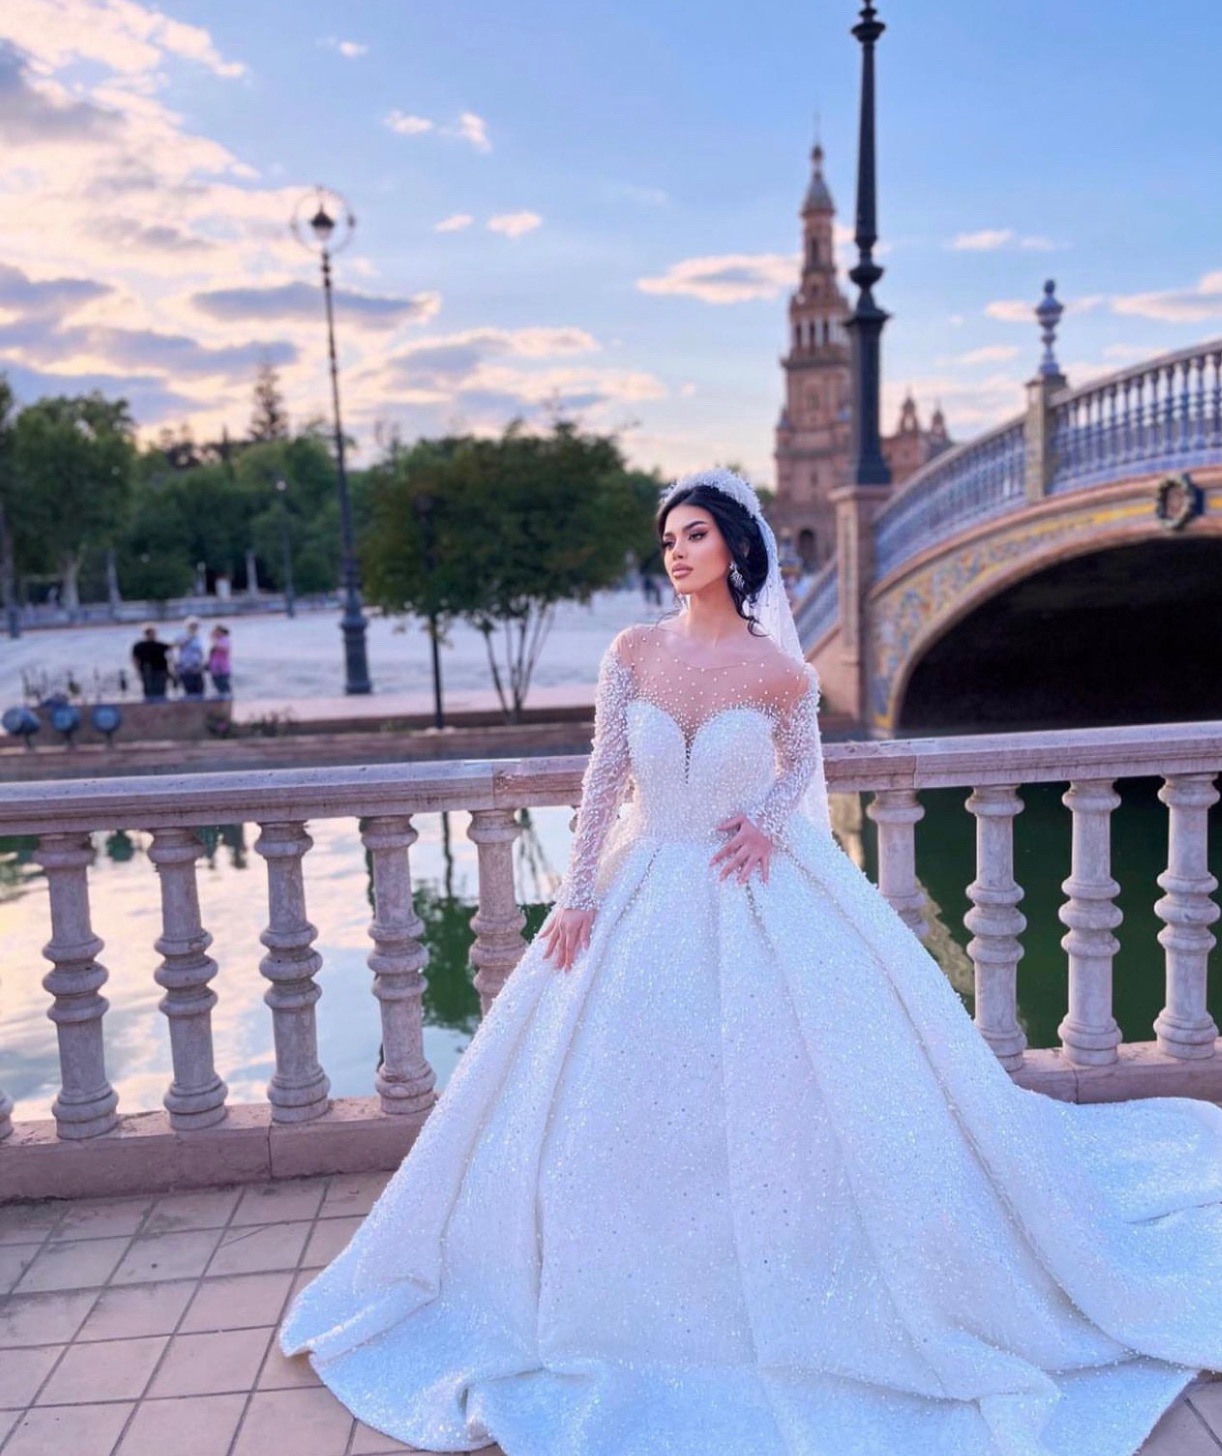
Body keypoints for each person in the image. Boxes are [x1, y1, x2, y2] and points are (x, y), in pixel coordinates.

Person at [279, 469, 1222, 1456]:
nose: (676, 553)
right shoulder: (632, 651)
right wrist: (579, 890)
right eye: (667, 540)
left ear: (733, 544)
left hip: (752, 888)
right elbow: (604, 772)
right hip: (644, 886)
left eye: (693, 534)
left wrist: (769, 820)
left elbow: (803, 763)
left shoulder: (780, 673)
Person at [130, 625, 171, 701]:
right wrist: (137, 670)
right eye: (152, 633)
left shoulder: (160, 645)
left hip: (161, 670)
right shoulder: (139, 646)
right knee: (149, 691)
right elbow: (135, 659)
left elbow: (171, 651)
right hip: (147, 671)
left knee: (161, 691)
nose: (154, 635)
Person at [173, 618, 206, 698]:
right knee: (189, 689)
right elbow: (176, 646)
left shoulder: (197, 638)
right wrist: (189, 637)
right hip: (185, 668)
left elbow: (199, 651)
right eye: (192, 626)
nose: (195, 628)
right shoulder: (181, 635)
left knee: (200, 689)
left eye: (196, 626)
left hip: (197, 667)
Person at [207, 624, 232, 698]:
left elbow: (221, 648)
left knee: (224, 687)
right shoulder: (216, 641)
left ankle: (227, 701)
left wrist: (213, 638)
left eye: (216, 631)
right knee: (217, 687)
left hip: (223, 669)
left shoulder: (225, 640)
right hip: (215, 669)